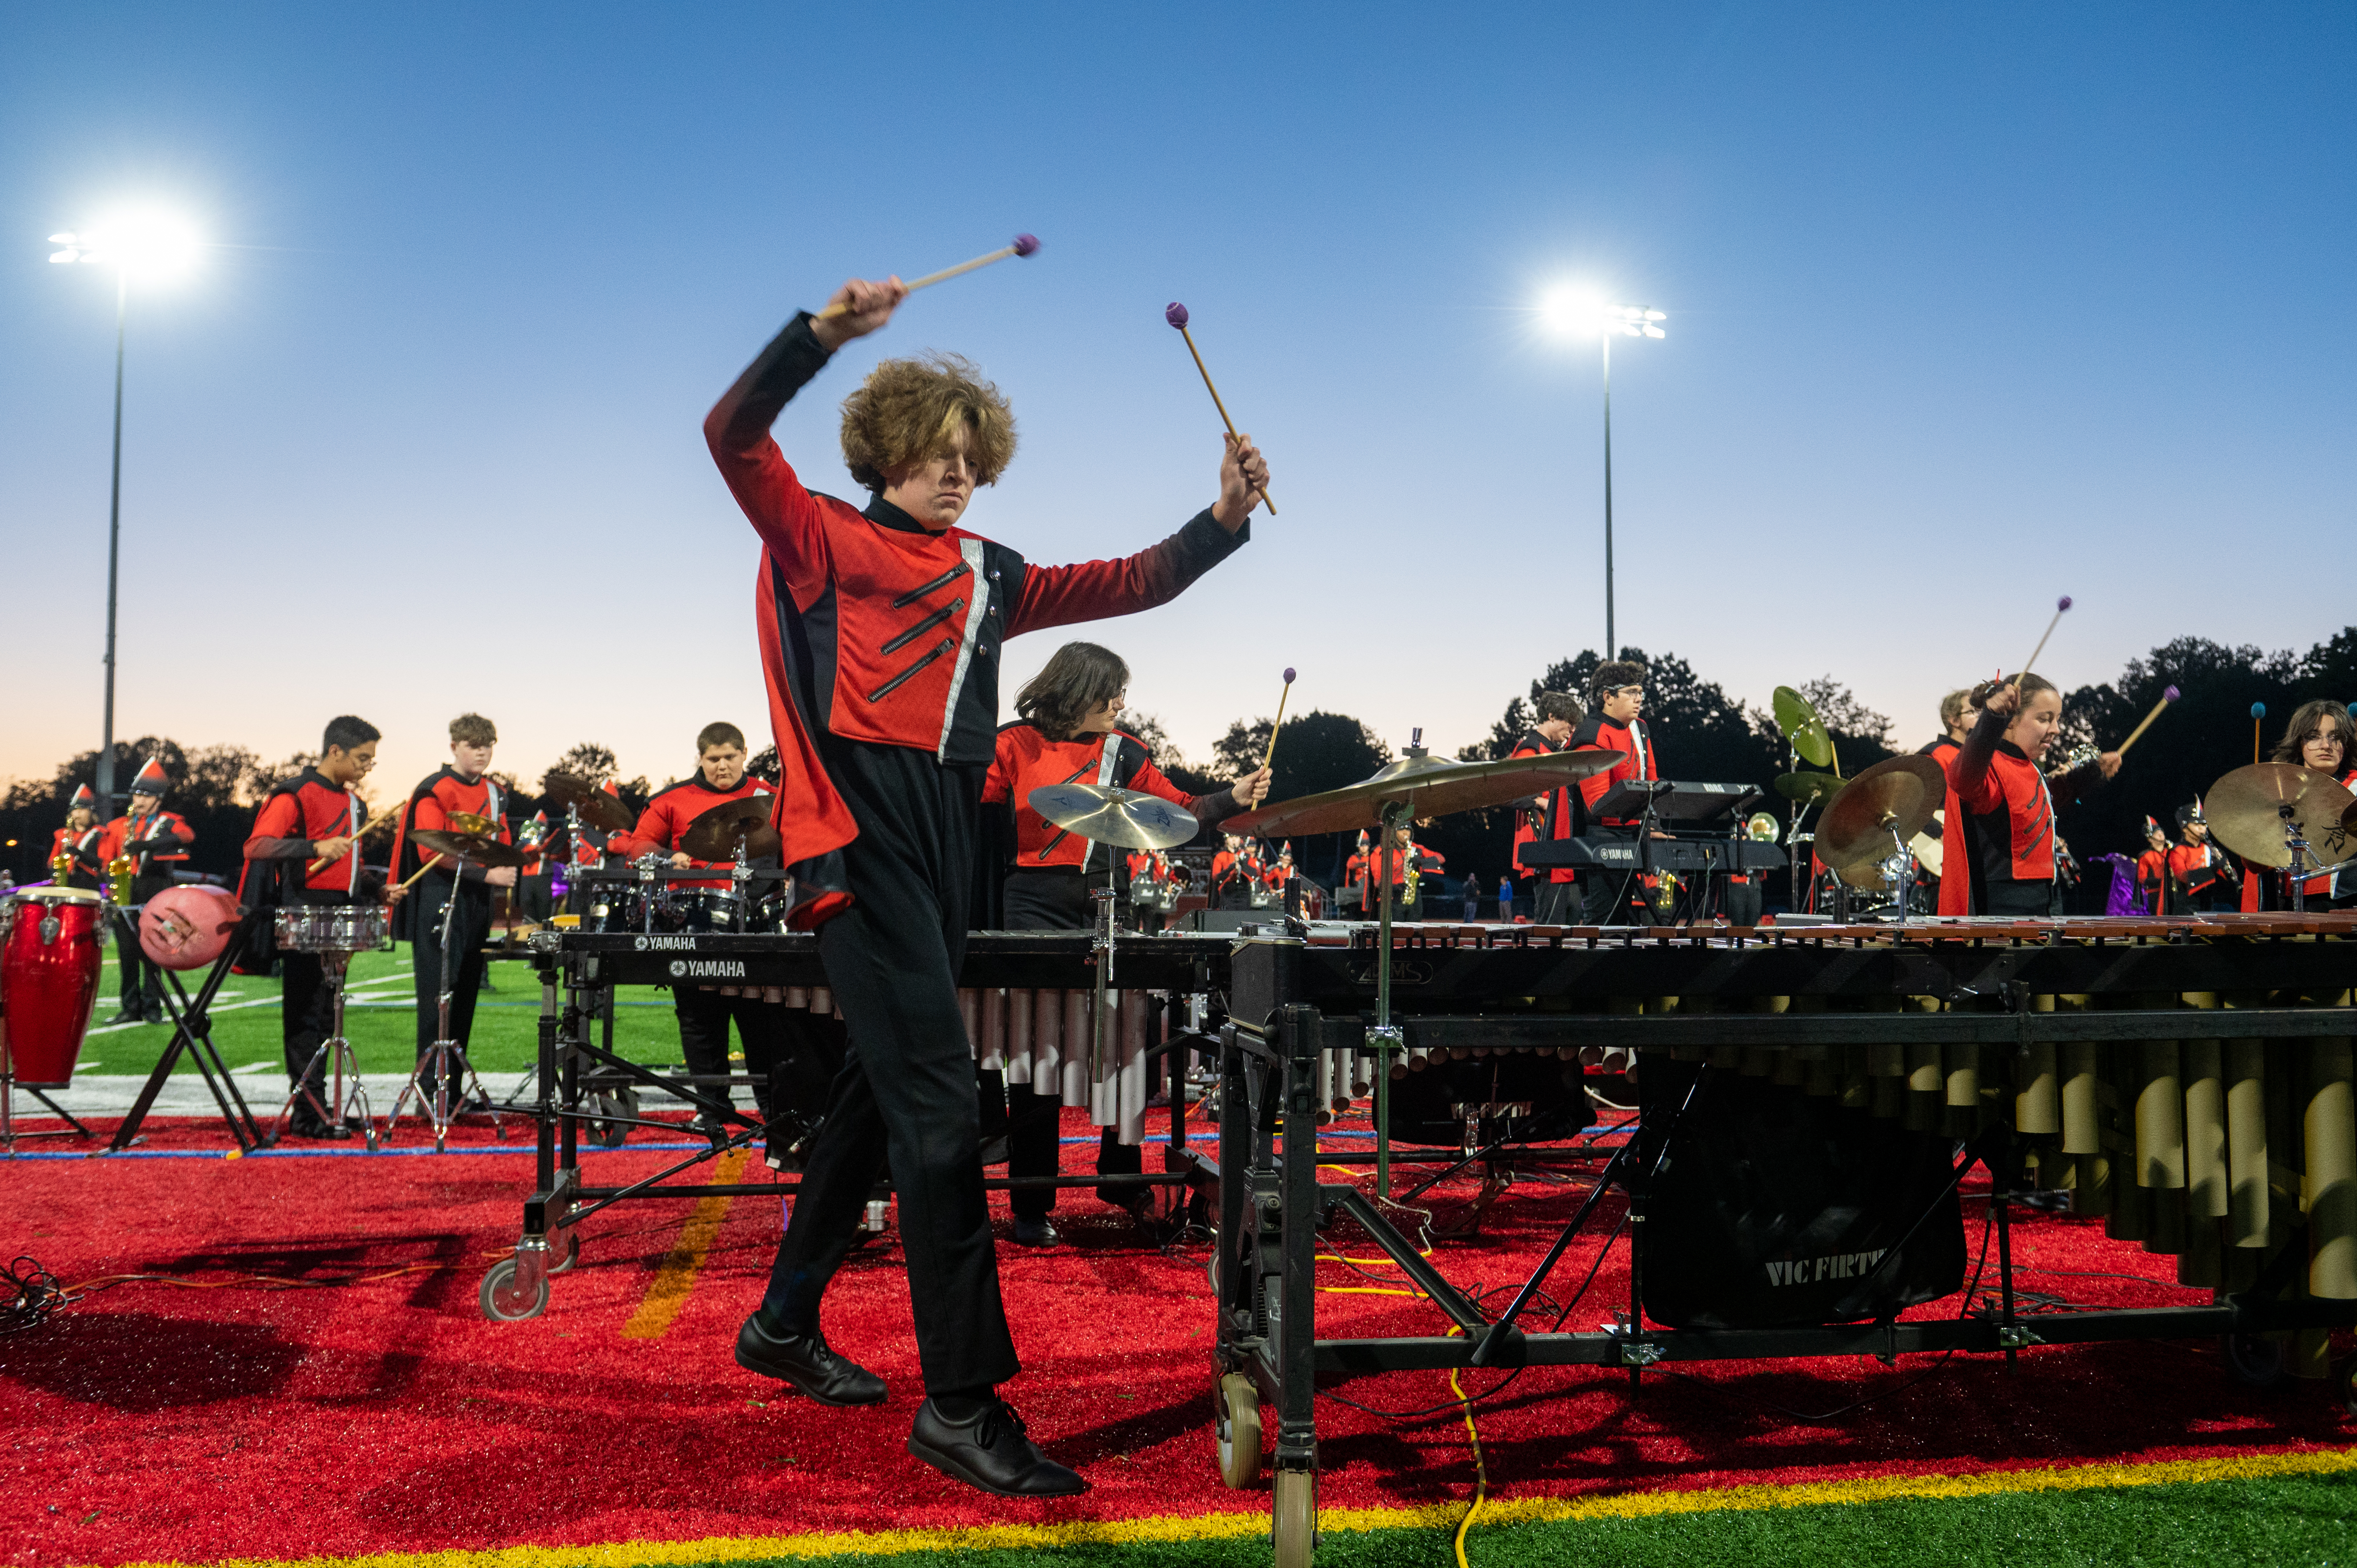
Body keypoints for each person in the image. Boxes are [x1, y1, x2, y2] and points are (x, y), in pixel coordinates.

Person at [705, 272, 1267, 1495]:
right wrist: (815, 338)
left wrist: (1217, 520)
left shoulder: (993, 572)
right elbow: (730, 436)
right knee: (941, 1110)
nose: (954, 474)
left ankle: (783, 1324)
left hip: (954, 848)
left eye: (971, 458)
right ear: (884, 451)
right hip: (856, 840)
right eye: (932, 453)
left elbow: (1132, 583)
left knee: (883, 1088)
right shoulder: (815, 537)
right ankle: (958, 1403)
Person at [981, 641, 1268, 1246]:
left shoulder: (1126, 750)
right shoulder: (1011, 744)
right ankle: (1030, 1205)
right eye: (1110, 692)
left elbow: (1183, 808)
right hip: (1027, 903)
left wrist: (1234, 796)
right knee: (1036, 1063)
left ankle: (1120, 1177)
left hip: (1102, 902)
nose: (1119, 703)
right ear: (1076, 689)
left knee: (1126, 1041)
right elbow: (967, 815)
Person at [606, 722, 832, 1141]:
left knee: (762, 1021)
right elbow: (638, 847)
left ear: (744, 753)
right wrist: (668, 854)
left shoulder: (770, 796)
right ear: (701, 759)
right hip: (693, 923)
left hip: (756, 925)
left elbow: (802, 842)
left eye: (730, 757)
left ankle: (772, 1108)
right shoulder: (671, 800)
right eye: (714, 759)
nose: (723, 766)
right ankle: (711, 1108)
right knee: (698, 1021)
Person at [240, 717, 386, 1139]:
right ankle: (307, 1114)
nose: (366, 767)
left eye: (371, 761)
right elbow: (258, 845)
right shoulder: (295, 792)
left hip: (342, 915)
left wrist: (377, 889)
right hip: (303, 913)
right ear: (335, 751)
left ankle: (324, 1108)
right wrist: (312, 847)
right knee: (306, 1016)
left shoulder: (356, 804)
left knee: (330, 1017)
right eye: (362, 758)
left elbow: (350, 866)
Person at [388, 713, 516, 1109]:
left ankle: (453, 1091)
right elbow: (432, 852)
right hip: (441, 898)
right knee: (437, 997)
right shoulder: (434, 789)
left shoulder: (496, 792)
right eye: (472, 745)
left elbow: (503, 839)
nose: (481, 752)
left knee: (464, 998)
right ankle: (431, 1093)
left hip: (476, 901)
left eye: (487, 745)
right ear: (454, 747)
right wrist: (487, 871)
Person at [1938, 674, 2121, 917]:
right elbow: (1963, 781)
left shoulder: (2027, 765)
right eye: (2044, 719)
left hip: (2046, 897)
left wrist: (2093, 774)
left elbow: (2040, 803)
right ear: (2011, 720)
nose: (2056, 730)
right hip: (2003, 908)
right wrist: (1992, 720)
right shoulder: (1990, 765)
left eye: (2057, 720)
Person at [99, 757, 195, 1025]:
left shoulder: (169, 821)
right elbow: (108, 860)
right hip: (127, 892)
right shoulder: (119, 825)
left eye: (145, 796)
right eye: (136, 795)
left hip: (156, 891)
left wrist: (148, 845)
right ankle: (129, 1008)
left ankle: (153, 1009)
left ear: (158, 799)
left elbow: (187, 836)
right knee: (127, 955)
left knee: (155, 952)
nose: (138, 801)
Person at [2240, 699, 2357, 911]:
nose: (2326, 746)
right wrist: (2252, 828)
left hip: (2349, 903)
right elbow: (2256, 865)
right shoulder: (2278, 792)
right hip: (2294, 902)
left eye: (2336, 737)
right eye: (2313, 737)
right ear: (2298, 742)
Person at [1572, 661, 1659, 925]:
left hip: (1636, 834)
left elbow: (1652, 780)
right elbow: (1597, 804)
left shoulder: (1640, 728)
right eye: (1631, 692)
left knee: (1630, 922)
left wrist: (1653, 824)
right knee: (1603, 921)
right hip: (1604, 836)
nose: (1639, 699)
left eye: (1641, 693)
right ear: (1608, 697)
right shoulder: (1592, 733)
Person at [1509, 690, 1587, 924]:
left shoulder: (1550, 751)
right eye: (1569, 723)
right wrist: (1546, 802)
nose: (1572, 730)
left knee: (1573, 914)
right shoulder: (1530, 750)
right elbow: (1512, 794)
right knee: (1552, 921)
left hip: (1557, 847)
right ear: (1552, 717)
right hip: (1543, 846)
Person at [1365, 822, 1443, 919]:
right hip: (1393, 898)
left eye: (1408, 830)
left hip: (1413, 897)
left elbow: (1441, 858)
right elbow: (1377, 882)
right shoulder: (1382, 850)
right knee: (1396, 931)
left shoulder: (1416, 849)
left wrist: (1420, 861)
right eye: (1402, 830)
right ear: (1394, 832)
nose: (1406, 833)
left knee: (1414, 930)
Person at [2169, 801, 2235, 912]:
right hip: (2186, 904)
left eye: (2204, 824)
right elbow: (2184, 877)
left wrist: (2227, 870)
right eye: (2196, 824)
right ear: (2185, 828)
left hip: (2208, 901)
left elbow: (2226, 876)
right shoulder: (2177, 851)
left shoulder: (2210, 849)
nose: (2202, 828)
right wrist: (2213, 868)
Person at [48, 785, 104, 892]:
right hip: (66, 882)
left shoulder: (99, 834)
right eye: (75, 810)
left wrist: (78, 853)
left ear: (90, 812)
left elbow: (102, 862)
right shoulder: (62, 835)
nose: (78, 813)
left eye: (83, 809)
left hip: (89, 883)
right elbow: (52, 862)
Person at [2134, 816, 2180, 915]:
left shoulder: (2172, 852)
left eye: (2161, 832)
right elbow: (2142, 879)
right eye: (2156, 833)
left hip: (2173, 892)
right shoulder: (2145, 856)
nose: (2161, 834)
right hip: (2155, 893)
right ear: (2150, 839)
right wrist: (2164, 881)